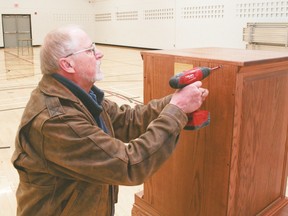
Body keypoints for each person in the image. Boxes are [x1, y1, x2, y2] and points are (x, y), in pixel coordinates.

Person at [11, 25, 209, 216]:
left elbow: (128, 120)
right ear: (67, 64)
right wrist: (177, 109)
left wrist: (174, 101)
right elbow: (129, 165)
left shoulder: (79, 96)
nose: (100, 54)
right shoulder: (58, 120)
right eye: (90, 50)